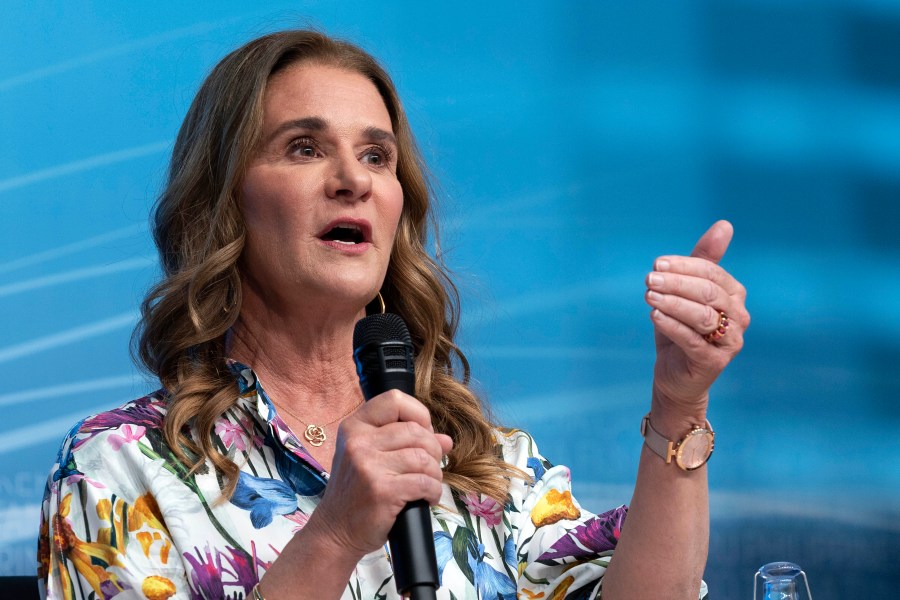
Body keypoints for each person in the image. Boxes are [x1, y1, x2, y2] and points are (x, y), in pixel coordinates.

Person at [37, 30, 749, 600]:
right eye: (304, 148)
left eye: (376, 157)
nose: (352, 180)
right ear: (224, 203)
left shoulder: (482, 463)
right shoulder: (117, 470)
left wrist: (680, 402)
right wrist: (333, 535)